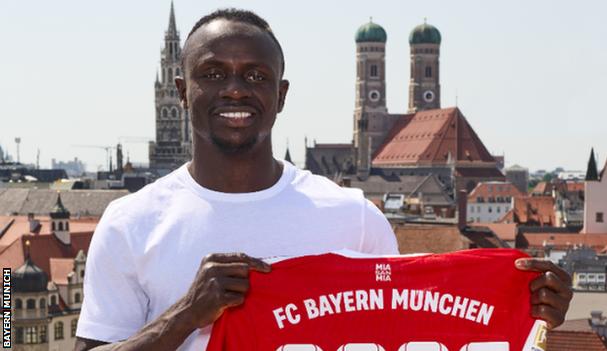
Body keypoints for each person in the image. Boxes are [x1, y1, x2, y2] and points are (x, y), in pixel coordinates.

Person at [74, 9, 572, 351]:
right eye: (213, 73)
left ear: (281, 93)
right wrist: (184, 315)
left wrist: (524, 308)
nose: (234, 89)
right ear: (181, 91)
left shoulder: (352, 217)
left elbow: (410, 334)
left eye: (255, 76)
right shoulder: (129, 222)